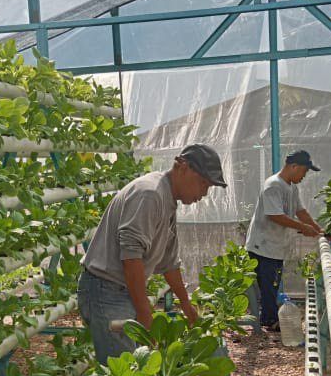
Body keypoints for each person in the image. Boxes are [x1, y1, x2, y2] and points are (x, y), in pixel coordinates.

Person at [77, 143, 227, 364]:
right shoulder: (150, 194)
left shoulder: (167, 199)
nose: (204, 194)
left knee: (133, 373)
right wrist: (144, 312)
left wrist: (186, 305)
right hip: (105, 291)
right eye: (203, 183)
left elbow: (169, 263)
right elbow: (131, 257)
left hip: (119, 290)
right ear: (182, 166)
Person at [245, 149, 324, 332]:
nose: (304, 176)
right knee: (269, 286)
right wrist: (303, 228)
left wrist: (318, 229)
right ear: (293, 166)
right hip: (263, 246)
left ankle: (268, 318)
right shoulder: (273, 185)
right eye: (304, 171)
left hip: (275, 246)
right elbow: (275, 216)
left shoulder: (291, 187)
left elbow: (301, 212)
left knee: (272, 283)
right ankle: (269, 321)